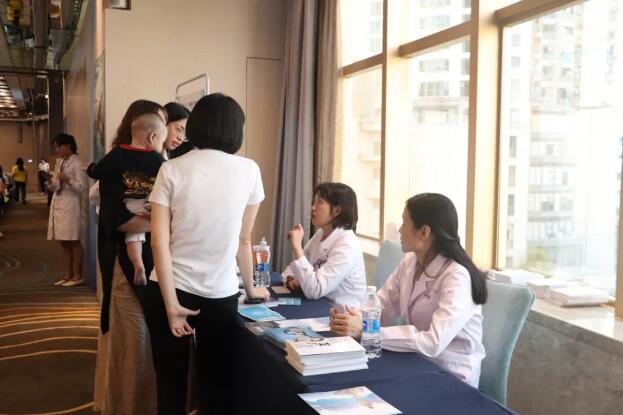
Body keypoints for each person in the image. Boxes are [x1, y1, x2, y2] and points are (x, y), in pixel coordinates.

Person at [147, 93, 269, 414]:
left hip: (170, 288)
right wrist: (252, 288)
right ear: (236, 130)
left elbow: (159, 242)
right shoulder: (250, 170)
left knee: (170, 383)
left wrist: (171, 305)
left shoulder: (171, 169)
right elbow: (244, 239)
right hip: (220, 294)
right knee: (216, 384)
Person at [330, 193, 488, 387]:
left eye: (404, 222)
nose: (399, 229)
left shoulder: (457, 277)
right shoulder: (411, 261)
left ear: (424, 232)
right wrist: (351, 317)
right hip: (414, 363)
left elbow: (432, 343)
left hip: (451, 377)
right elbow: (382, 303)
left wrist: (367, 330)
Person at [90, 99, 167, 415]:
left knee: (150, 339)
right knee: (133, 340)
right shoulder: (118, 162)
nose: (175, 136)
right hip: (124, 261)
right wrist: (163, 223)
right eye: (171, 128)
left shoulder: (160, 163)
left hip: (157, 260)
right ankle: (128, 405)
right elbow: (119, 220)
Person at [282, 182, 366, 308]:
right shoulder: (321, 233)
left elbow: (314, 290)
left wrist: (297, 247)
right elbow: (291, 270)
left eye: (320, 202)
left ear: (336, 210)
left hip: (340, 313)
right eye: (314, 202)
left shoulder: (347, 245)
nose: (313, 207)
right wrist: (290, 278)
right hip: (319, 305)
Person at [47, 134, 85, 287]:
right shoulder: (60, 162)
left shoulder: (77, 163)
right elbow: (55, 186)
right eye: (56, 147)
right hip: (59, 203)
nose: (57, 149)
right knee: (63, 241)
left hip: (71, 205)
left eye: (59, 146)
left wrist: (67, 179)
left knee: (74, 240)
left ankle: (77, 276)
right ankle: (67, 275)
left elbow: (81, 188)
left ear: (68, 145)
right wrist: (49, 180)